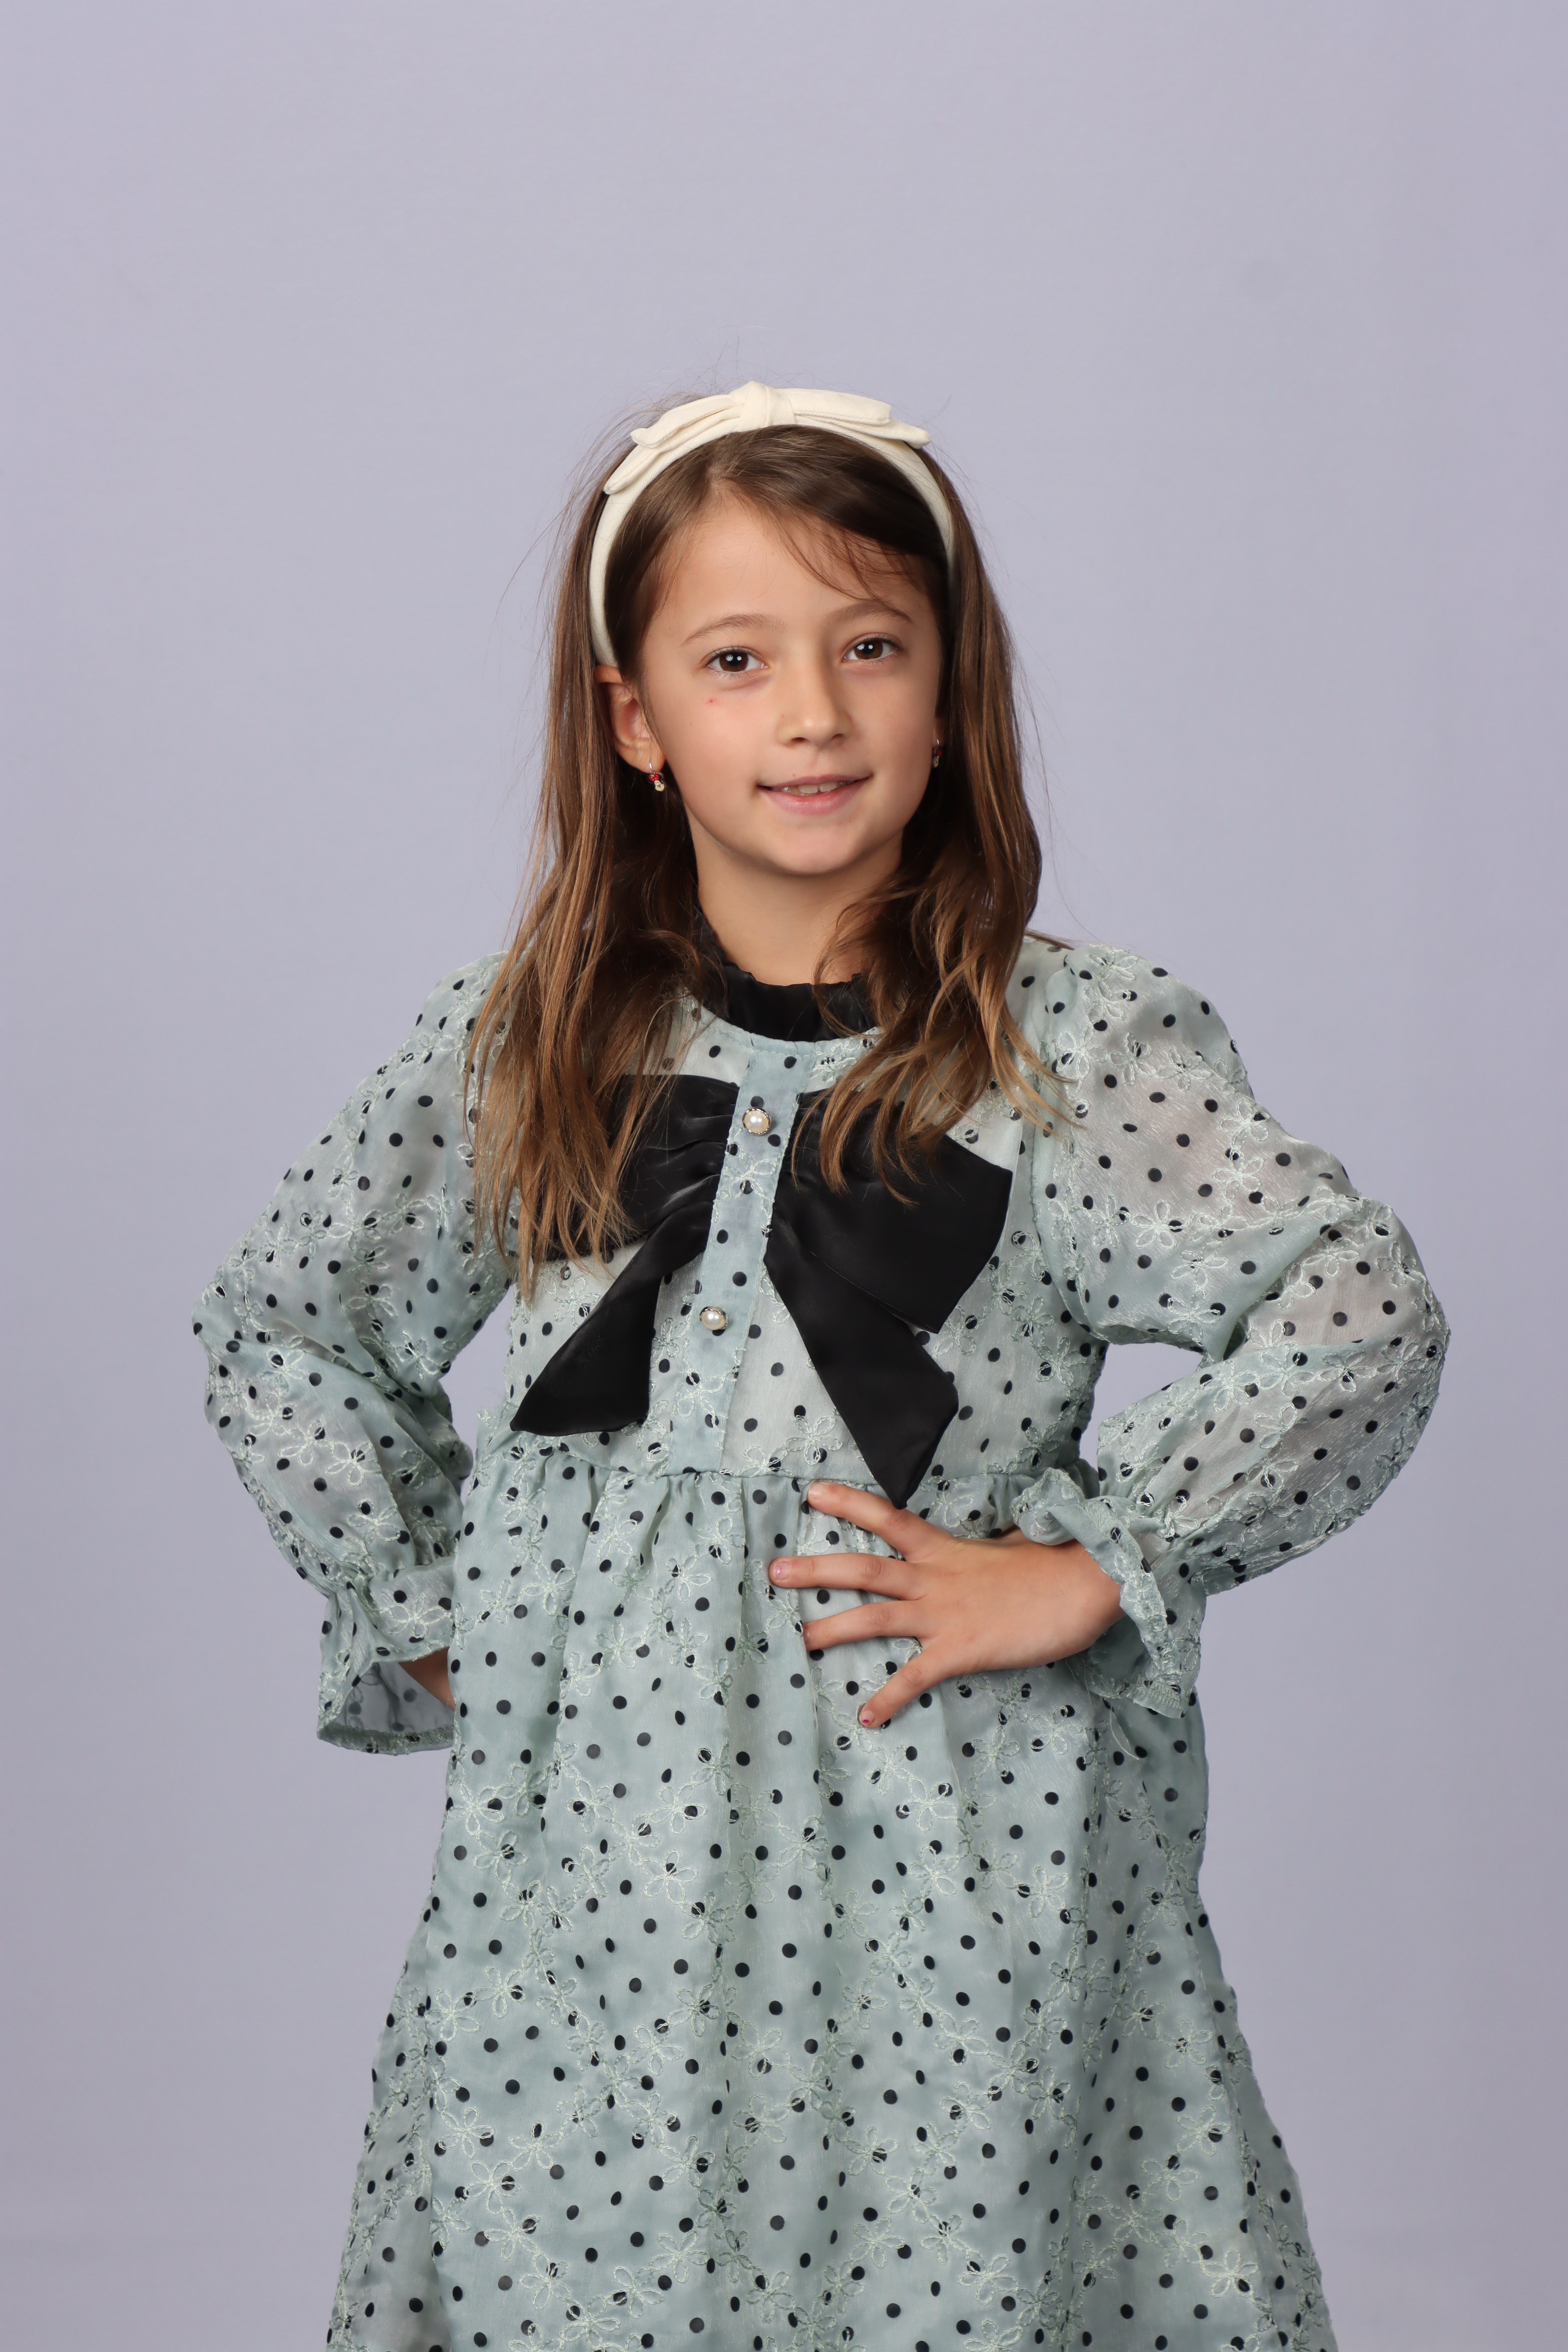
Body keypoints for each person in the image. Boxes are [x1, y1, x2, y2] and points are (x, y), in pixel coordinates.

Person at [194, 382, 1447, 2352]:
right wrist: (437, 1613)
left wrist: (1096, 1562)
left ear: (948, 698)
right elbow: (292, 1324)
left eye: (871, 649)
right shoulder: (524, 1038)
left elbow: (1351, 1308)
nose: (812, 715)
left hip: (960, 1829)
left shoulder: (1069, 1051)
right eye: (736, 660)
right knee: (587, 2252)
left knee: (961, 2257)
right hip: (604, 1860)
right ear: (634, 720)